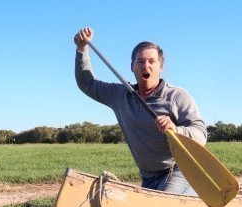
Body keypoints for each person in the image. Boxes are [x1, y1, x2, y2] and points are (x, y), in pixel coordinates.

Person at [73, 27, 207, 195]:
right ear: (132, 67)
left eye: (152, 61)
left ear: (161, 66)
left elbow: (201, 133)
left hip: (181, 172)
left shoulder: (177, 96)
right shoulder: (120, 95)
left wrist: (176, 129)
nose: (146, 66)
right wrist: (82, 49)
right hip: (148, 178)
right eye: (140, 61)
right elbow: (87, 84)